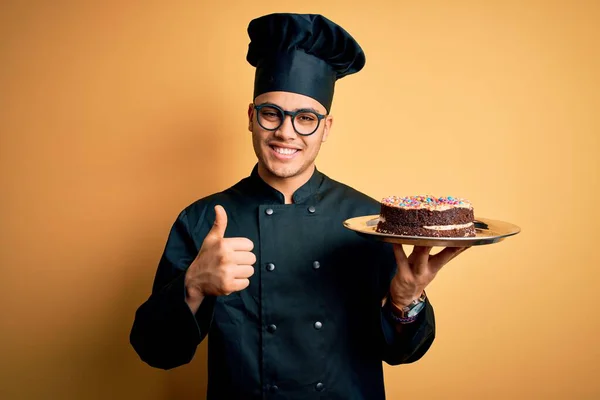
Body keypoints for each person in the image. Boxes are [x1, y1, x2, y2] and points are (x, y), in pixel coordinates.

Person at [130, 13, 467, 399]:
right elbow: (156, 351)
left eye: (305, 118)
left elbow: (403, 352)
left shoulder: (370, 221)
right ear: (251, 118)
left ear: (326, 128)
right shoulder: (202, 220)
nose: (286, 131)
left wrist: (405, 301)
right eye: (271, 113)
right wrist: (193, 287)